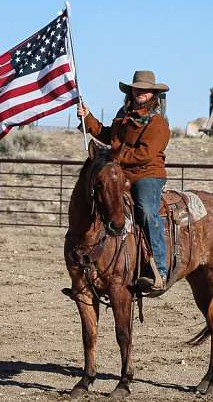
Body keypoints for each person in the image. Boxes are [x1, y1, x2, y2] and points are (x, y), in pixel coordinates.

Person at [77, 70, 170, 291]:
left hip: (147, 173)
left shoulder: (157, 122)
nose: (141, 93)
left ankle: (159, 266)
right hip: (122, 173)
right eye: (137, 89)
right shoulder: (124, 115)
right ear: (132, 91)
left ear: (153, 94)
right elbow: (109, 135)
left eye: (145, 90)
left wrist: (115, 156)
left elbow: (145, 154)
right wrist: (87, 117)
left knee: (146, 209)